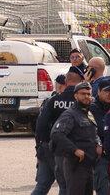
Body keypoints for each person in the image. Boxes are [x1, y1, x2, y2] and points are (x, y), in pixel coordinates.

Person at [33, 65, 84, 195]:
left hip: (47, 147)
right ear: (82, 82)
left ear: (66, 82)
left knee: (42, 185)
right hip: (69, 150)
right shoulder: (82, 102)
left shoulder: (52, 100)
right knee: (66, 186)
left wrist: (39, 147)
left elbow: (40, 126)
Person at [51, 82, 103, 195]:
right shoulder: (70, 114)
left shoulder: (88, 113)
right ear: (75, 95)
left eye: (89, 94)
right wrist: (74, 150)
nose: (86, 97)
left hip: (89, 164)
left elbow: (93, 133)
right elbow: (57, 134)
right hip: (75, 164)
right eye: (83, 94)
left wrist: (98, 144)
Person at [90, 77, 110, 195]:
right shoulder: (91, 108)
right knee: (103, 189)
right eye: (106, 91)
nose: (109, 94)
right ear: (98, 91)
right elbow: (91, 130)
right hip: (101, 156)